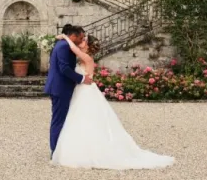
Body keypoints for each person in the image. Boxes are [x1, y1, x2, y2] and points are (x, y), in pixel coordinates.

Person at [50, 33, 174, 170]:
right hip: (80, 91)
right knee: (78, 119)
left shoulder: (88, 58)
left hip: (86, 91)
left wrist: (66, 38)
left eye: (84, 40)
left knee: (85, 119)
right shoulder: (83, 57)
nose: (82, 40)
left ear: (89, 46)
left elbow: (74, 49)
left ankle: (88, 151)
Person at [43, 24, 90, 157]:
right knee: (58, 119)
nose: (82, 41)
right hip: (60, 88)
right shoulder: (64, 47)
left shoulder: (62, 43)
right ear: (73, 36)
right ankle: (55, 151)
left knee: (61, 118)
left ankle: (59, 148)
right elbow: (64, 68)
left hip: (60, 87)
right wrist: (81, 78)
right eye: (80, 38)